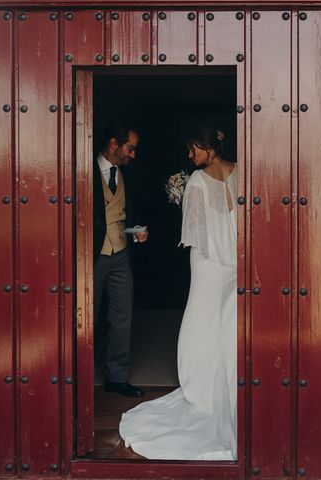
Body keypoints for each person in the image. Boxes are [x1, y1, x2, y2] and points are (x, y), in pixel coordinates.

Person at [119, 126, 237, 460]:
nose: (190, 156)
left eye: (193, 150)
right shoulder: (242, 173)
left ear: (208, 150)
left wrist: (182, 196)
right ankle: (224, 381)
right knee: (226, 321)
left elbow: (194, 233)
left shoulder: (198, 181)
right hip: (235, 262)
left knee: (199, 320)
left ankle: (200, 388)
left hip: (207, 263)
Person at [94, 119, 148, 398]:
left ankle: (117, 376)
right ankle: (76, 376)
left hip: (121, 255)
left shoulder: (130, 173)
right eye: (130, 148)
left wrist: (137, 229)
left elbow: (130, 211)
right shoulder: (84, 169)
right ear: (114, 143)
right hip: (92, 255)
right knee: (85, 317)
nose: (133, 154)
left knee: (122, 317)